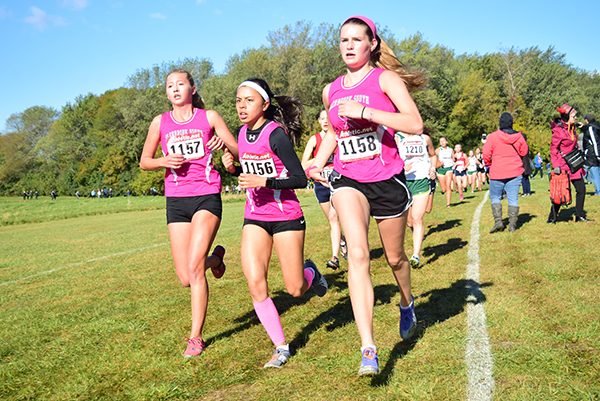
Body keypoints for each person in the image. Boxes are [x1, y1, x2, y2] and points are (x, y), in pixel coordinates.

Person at [308, 15, 425, 376]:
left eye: (356, 40)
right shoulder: (331, 89)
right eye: (343, 40)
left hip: (387, 179)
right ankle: (369, 348)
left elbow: (415, 124)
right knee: (357, 254)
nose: (348, 45)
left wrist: (368, 112)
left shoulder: (385, 80)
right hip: (347, 179)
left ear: (372, 44)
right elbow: (334, 133)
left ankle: (407, 303)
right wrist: (317, 161)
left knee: (395, 259)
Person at [222, 78, 328, 369]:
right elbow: (251, 171)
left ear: (265, 105)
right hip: (255, 215)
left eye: (249, 101)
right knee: (256, 283)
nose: (242, 106)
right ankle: (281, 347)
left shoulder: (276, 135)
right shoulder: (242, 133)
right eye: (238, 100)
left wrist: (264, 181)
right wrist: (234, 169)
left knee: (295, 289)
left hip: (286, 216)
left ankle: (310, 273)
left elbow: (299, 178)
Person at [139, 69, 239, 358]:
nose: (175, 88)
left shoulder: (209, 117)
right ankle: (217, 259)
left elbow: (238, 148)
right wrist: (162, 161)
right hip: (176, 201)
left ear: (192, 89)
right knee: (185, 276)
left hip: (206, 196)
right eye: (170, 85)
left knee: (195, 268)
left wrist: (224, 145)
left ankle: (195, 337)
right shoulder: (160, 122)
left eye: (180, 84)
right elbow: (145, 161)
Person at [301, 109, 347, 270]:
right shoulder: (315, 139)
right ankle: (342, 241)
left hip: (338, 182)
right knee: (331, 219)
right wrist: (321, 156)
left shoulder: (339, 136)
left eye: (328, 118)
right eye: (322, 119)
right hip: (321, 185)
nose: (326, 121)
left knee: (335, 217)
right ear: (319, 121)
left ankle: (335, 257)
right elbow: (303, 165)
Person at [395, 130, 437, 269]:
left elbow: (432, 154)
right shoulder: (397, 137)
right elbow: (391, 158)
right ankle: (416, 233)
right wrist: (401, 166)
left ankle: (415, 255)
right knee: (409, 221)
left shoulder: (424, 138)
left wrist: (433, 168)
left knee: (417, 217)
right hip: (404, 182)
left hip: (421, 180)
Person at [483, 112, 529, 232]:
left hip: (497, 171)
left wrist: (489, 165)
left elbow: (486, 154)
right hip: (515, 171)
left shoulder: (493, 137)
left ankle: (498, 222)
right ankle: (512, 225)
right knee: (513, 198)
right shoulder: (519, 137)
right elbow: (524, 152)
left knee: (495, 197)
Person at [547, 104, 593, 222]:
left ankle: (579, 216)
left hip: (574, 164)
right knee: (560, 192)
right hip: (563, 165)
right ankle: (552, 217)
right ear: (566, 117)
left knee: (581, 189)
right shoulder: (558, 131)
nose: (576, 118)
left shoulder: (572, 127)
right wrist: (556, 165)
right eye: (574, 116)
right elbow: (553, 149)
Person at [581, 113, 600, 196]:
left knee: (594, 173)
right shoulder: (596, 126)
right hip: (594, 153)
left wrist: (597, 155)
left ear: (587, 120)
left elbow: (595, 143)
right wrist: (583, 127)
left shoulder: (591, 129)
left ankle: (598, 192)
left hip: (592, 154)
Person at [436, 137, 454, 207]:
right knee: (444, 189)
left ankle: (448, 204)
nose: (442, 142)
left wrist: (454, 161)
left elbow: (453, 158)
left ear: (447, 142)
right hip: (440, 169)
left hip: (449, 168)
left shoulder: (450, 150)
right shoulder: (438, 150)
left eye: (443, 141)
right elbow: (432, 157)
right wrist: (438, 162)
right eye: (440, 141)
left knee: (448, 186)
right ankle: (443, 191)